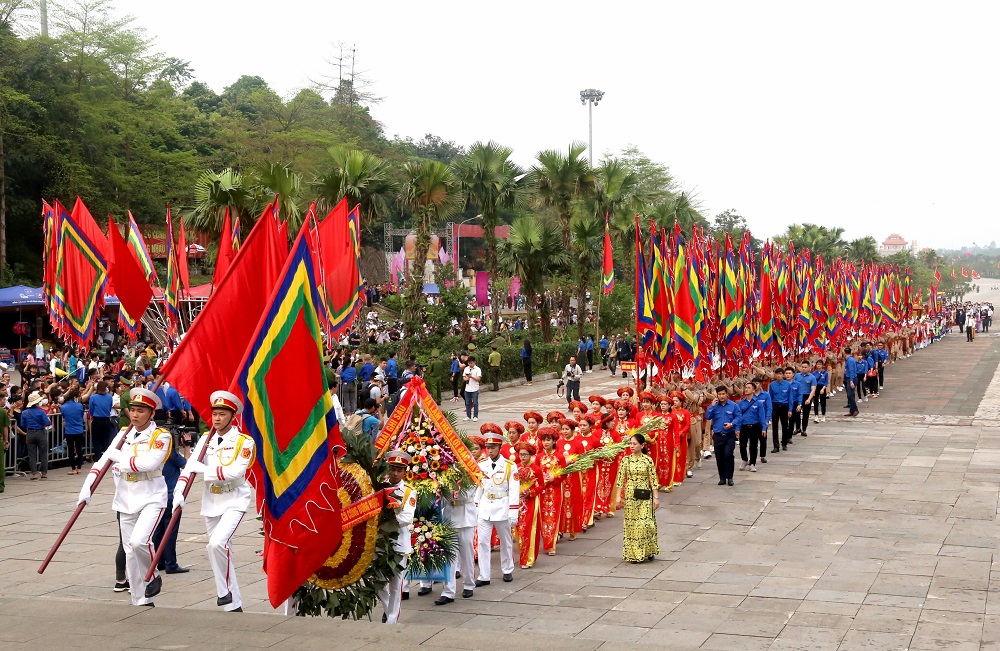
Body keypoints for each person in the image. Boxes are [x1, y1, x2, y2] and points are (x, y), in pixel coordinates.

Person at [77, 388, 170, 606]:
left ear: (151, 414)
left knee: (140, 542)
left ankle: (153, 574)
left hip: (151, 496)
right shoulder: (122, 435)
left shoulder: (161, 436)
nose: (135, 415)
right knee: (129, 551)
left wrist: (118, 456)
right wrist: (87, 487)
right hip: (125, 498)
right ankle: (140, 598)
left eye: (141, 411)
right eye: (133, 410)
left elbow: (147, 464)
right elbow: (102, 463)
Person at [173, 391, 253, 611]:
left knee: (217, 544)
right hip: (211, 501)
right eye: (214, 414)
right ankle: (233, 604)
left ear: (232, 416)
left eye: (221, 414)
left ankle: (224, 592)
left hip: (235, 499)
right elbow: (189, 469)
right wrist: (179, 490)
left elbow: (235, 472)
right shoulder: (205, 441)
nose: (217, 418)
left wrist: (205, 470)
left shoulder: (244, 442)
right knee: (217, 550)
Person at [474, 431, 519, 586]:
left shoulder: (510, 466)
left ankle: (507, 569)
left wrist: (514, 512)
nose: (490, 450)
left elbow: (514, 490)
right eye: (488, 447)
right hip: (486, 506)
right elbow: (479, 488)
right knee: (483, 542)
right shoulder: (482, 465)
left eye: (493, 447)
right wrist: (476, 507)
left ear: (500, 447)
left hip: (502, 507)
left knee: (506, 541)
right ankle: (484, 575)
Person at [378, 449, 416, 623]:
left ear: (404, 471)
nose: (395, 473)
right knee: (377, 581)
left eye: (399, 470)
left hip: (399, 542)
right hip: (379, 541)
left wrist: (386, 519)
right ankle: (388, 608)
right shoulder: (378, 485)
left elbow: (407, 517)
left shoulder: (409, 492)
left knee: (395, 583)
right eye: (392, 468)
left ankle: (392, 619)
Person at [614, 434, 660, 563]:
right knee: (632, 525)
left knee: (646, 523)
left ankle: (649, 549)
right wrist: (618, 496)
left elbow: (653, 479)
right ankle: (633, 554)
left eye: (634, 444)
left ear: (642, 445)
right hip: (630, 495)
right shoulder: (626, 460)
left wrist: (656, 497)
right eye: (631, 443)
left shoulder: (647, 460)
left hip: (645, 494)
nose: (632, 446)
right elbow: (620, 479)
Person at [434, 480, 477, 605]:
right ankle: (448, 591)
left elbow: (464, 494)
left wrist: (447, 486)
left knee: (467, 554)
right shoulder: (444, 473)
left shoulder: (470, 472)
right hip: (449, 517)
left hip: (465, 517)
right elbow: (441, 501)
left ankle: (469, 584)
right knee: (448, 557)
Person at [151, 430, 188, 576]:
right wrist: (187, 446)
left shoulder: (154, 453)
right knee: (170, 532)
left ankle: (158, 561)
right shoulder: (170, 453)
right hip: (172, 497)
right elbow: (186, 464)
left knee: (158, 531)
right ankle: (170, 563)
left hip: (157, 497)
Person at [705, 385, 742, 486]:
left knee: (728, 455)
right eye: (719, 394)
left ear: (727, 394)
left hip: (729, 435)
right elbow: (708, 416)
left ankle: (730, 477)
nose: (721, 396)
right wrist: (711, 406)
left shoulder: (733, 405)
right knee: (719, 457)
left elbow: (739, 417)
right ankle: (722, 477)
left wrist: (732, 424)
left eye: (723, 394)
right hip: (717, 435)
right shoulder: (714, 405)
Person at [514, 442, 542, 570]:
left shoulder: (536, 469)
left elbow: (542, 487)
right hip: (518, 503)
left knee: (529, 529)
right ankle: (522, 555)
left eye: (525, 455)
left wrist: (530, 492)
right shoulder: (516, 467)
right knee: (518, 530)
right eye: (521, 455)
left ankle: (529, 558)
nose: (523, 457)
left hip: (530, 502)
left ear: (530, 455)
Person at [21, 391, 51, 480]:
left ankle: (34, 473)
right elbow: (47, 422)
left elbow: (22, 424)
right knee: (43, 453)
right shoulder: (41, 412)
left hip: (30, 433)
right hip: (40, 432)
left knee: (31, 454)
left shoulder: (24, 413)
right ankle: (44, 473)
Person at [737, 384, 763, 472]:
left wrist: (763, 428)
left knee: (753, 445)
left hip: (755, 426)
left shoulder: (758, 402)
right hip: (744, 426)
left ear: (753, 390)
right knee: (742, 445)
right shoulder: (741, 403)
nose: (746, 389)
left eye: (749, 388)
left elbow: (761, 416)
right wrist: (737, 428)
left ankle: (752, 463)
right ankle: (744, 460)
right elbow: (738, 416)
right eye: (746, 388)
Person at [61, 389, 87, 475]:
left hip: (69, 430)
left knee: (71, 450)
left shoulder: (63, 407)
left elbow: (64, 417)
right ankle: (79, 467)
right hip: (79, 429)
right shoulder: (80, 406)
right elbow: (81, 415)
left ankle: (73, 468)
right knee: (79, 449)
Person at [793, 361, 816, 436]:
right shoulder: (797, 376)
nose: (804, 369)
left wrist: (809, 399)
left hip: (806, 396)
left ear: (809, 368)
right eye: (802, 367)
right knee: (796, 413)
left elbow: (813, 389)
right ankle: (798, 428)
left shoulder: (812, 377)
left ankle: (804, 429)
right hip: (798, 396)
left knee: (806, 414)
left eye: (805, 367)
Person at [462, 356, 482, 421]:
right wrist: (466, 378)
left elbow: (478, 379)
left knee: (475, 402)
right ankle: (468, 416)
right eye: (469, 363)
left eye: (471, 363)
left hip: (474, 388)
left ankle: (475, 416)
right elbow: (463, 377)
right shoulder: (466, 369)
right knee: (467, 403)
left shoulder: (477, 369)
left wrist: (471, 377)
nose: (470, 364)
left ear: (474, 362)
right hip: (467, 388)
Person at [844, 347, 859, 417]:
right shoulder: (849, 359)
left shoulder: (850, 360)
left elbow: (851, 371)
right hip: (849, 377)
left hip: (851, 378)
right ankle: (852, 410)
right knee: (851, 395)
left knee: (850, 395)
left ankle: (855, 409)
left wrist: (851, 381)